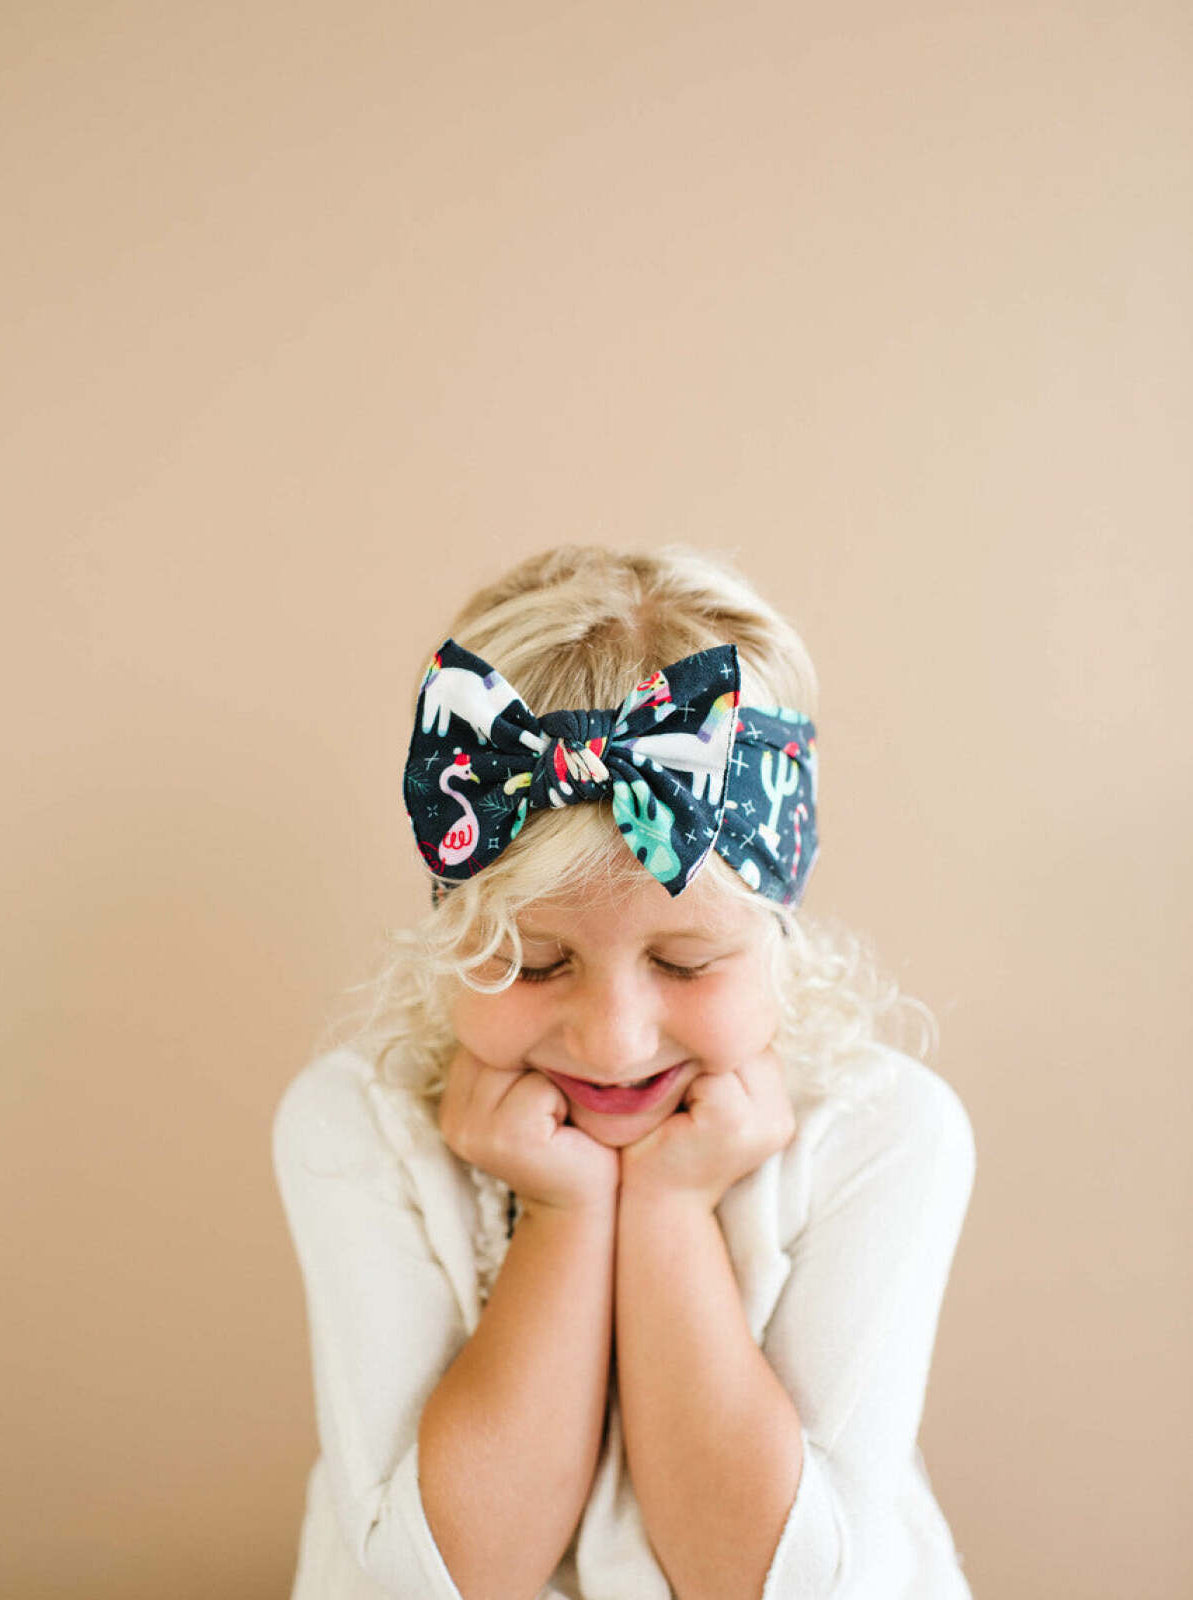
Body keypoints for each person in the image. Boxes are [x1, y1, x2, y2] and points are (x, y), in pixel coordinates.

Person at [272, 545, 977, 1600]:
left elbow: (768, 1582)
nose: (611, 1040)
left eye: (684, 962)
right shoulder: (356, 1127)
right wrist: (560, 1217)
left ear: (776, 938)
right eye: (534, 960)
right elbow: (440, 1580)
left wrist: (668, 1209)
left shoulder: (882, 1135)